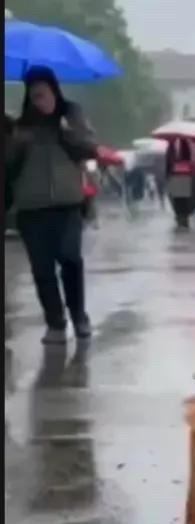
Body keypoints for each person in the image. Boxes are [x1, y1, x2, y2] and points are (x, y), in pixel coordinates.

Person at [5, 67, 97, 344]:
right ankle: (55, 322)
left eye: (43, 94)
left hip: (68, 204)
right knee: (42, 269)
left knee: (71, 260)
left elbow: (90, 147)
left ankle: (79, 317)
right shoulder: (20, 127)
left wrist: (65, 131)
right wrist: (18, 141)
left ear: (54, 92)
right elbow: (8, 166)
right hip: (32, 209)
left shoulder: (71, 115)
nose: (39, 100)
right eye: (34, 95)